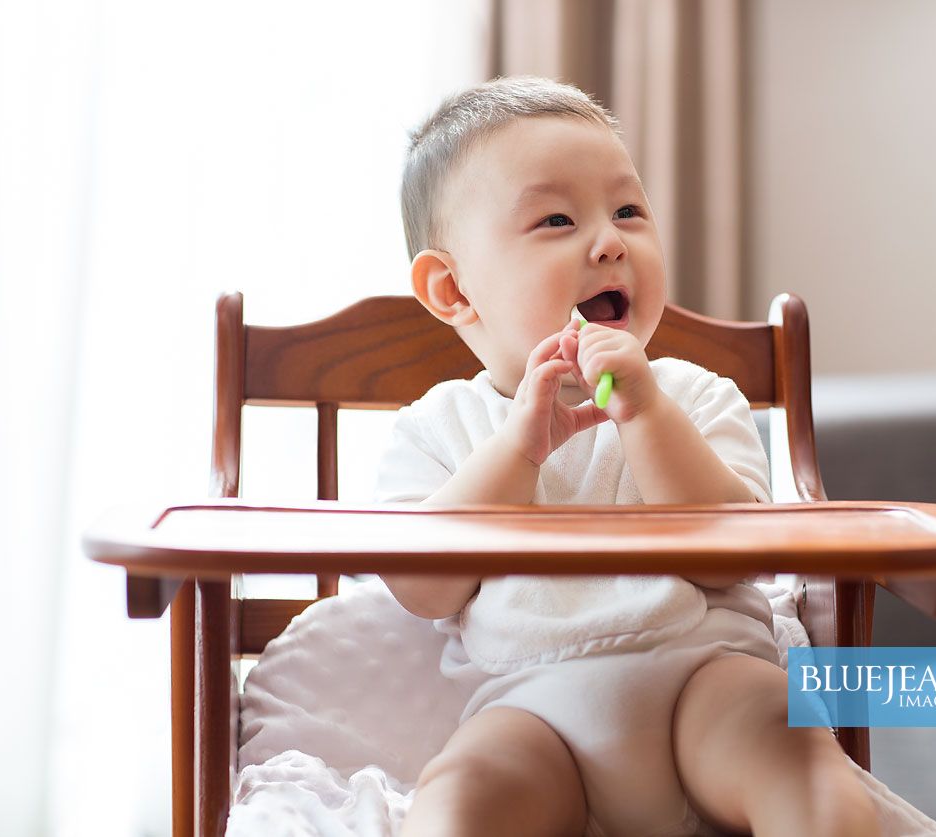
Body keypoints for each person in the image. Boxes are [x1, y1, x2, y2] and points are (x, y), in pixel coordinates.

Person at [373, 76, 881, 837]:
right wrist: (517, 447)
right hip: (532, 707)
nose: (609, 240)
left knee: (798, 755)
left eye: (628, 211)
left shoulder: (694, 394)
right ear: (451, 288)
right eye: (555, 218)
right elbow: (422, 585)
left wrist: (644, 411)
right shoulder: (437, 426)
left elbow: (729, 556)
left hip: (705, 677)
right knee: (459, 796)